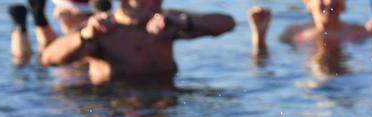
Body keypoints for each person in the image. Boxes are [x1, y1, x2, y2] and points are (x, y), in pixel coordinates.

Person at [40, 0, 236, 83]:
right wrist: (85, 36)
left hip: (164, 107)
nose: (155, 3)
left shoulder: (167, 22)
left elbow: (227, 23)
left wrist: (185, 22)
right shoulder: (102, 29)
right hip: (115, 112)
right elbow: (49, 58)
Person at [9, 0, 97, 63]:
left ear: (77, 12)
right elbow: (51, 47)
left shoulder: (92, 37)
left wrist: (39, 19)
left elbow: (46, 57)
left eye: (62, 12)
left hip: (76, 85)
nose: (55, 15)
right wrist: (38, 19)